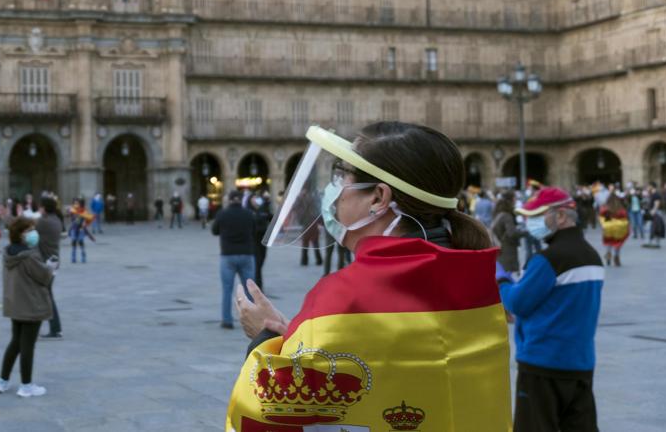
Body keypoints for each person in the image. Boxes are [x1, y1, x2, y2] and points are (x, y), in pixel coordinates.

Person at [228, 122, 510, 430]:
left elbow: (269, 408)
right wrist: (296, 338)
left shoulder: (344, 296)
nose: (333, 191)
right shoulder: (476, 278)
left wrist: (265, 339)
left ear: (378, 198)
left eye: (342, 176)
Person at [498, 187, 603, 431]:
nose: (530, 222)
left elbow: (517, 304)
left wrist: (502, 282)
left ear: (561, 216)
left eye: (537, 216)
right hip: (580, 362)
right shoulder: (592, 256)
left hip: (542, 363)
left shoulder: (548, 259)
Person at [0, 217, 56, 398]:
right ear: (21, 234)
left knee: (15, 342)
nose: (33, 233)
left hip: (16, 304)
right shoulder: (29, 255)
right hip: (31, 305)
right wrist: (51, 268)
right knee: (27, 345)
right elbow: (43, 277)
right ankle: (26, 385)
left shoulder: (9, 253)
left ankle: (2, 381)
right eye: (29, 230)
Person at [212, 192, 256, 330]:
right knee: (250, 290)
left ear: (229, 200)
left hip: (228, 255)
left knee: (227, 289)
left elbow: (214, 231)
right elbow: (254, 230)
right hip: (246, 254)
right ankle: (253, 320)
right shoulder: (248, 214)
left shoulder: (222, 214)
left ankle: (227, 320)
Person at [36, 197, 64, 339]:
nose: (39, 209)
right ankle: (55, 328)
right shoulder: (57, 220)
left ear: (45, 208)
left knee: (44, 295)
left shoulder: (44, 222)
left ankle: (55, 329)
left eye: (40, 206)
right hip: (54, 261)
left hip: (46, 263)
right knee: (45, 293)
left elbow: (27, 229)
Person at [490, 191, 522, 275]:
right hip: (508, 249)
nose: (516, 200)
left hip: (501, 247)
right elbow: (512, 233)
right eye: (515, 198)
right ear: (510, 200)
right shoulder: (507, 216)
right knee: (508, 274)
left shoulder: (499, 213)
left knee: (501, 271)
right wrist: (525, 232)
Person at [597, 194, 629, 266]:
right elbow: (624, 216)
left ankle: (608, 255)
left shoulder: (606, 207)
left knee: (608, 242)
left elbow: (601, 215)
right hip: (618, 228)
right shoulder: (620, 208)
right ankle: (616, 257)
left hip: (608, 228)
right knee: (618, 243)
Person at [251, 196, 272, 290]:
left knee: (260, 262)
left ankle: (257, 284)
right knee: (257, 264)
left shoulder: (263, 210)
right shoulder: (249, 211)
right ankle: (258, 285)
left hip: (262, 240)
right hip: (254, 241)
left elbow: (272, 218)